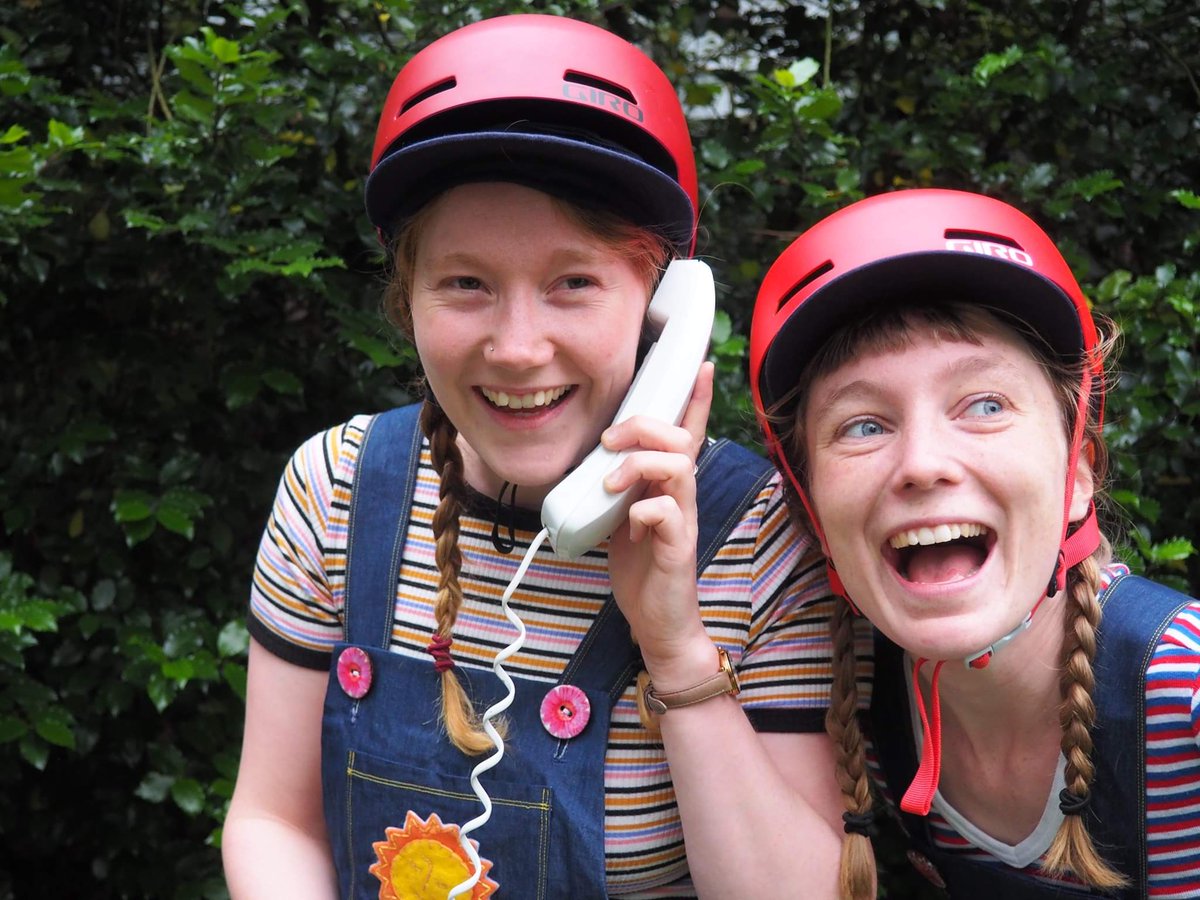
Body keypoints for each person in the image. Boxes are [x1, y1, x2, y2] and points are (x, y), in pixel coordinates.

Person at [222, 14, 844, 899]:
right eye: (465, 283)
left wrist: (676, 648)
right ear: (408, 301)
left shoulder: (756, 542)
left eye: (574, 283)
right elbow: (273, 821)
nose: (517, 348)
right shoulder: (336, 490)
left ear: (664, 309)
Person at [748, 187, 1200, 899]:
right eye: (863, 424)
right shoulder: (859, 708)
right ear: (809, 509)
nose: (924, 463)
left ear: (1077, 471)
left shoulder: (1184, 693)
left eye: (984, 405)